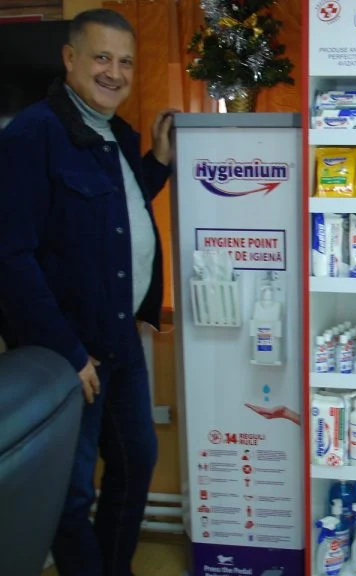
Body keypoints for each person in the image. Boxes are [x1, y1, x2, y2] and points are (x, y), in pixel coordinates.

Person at [0, 9, 177, 576]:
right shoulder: (32, 136)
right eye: (102, 57)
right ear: (70, 58)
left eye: (125, 61)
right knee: (70, 493)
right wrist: (68, 353)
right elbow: (11, 257)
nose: (114, 72)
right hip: (70, 355)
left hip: (118, 340)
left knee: (135, 462)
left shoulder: (115, 133)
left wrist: (157, 163)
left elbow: (113, 214)